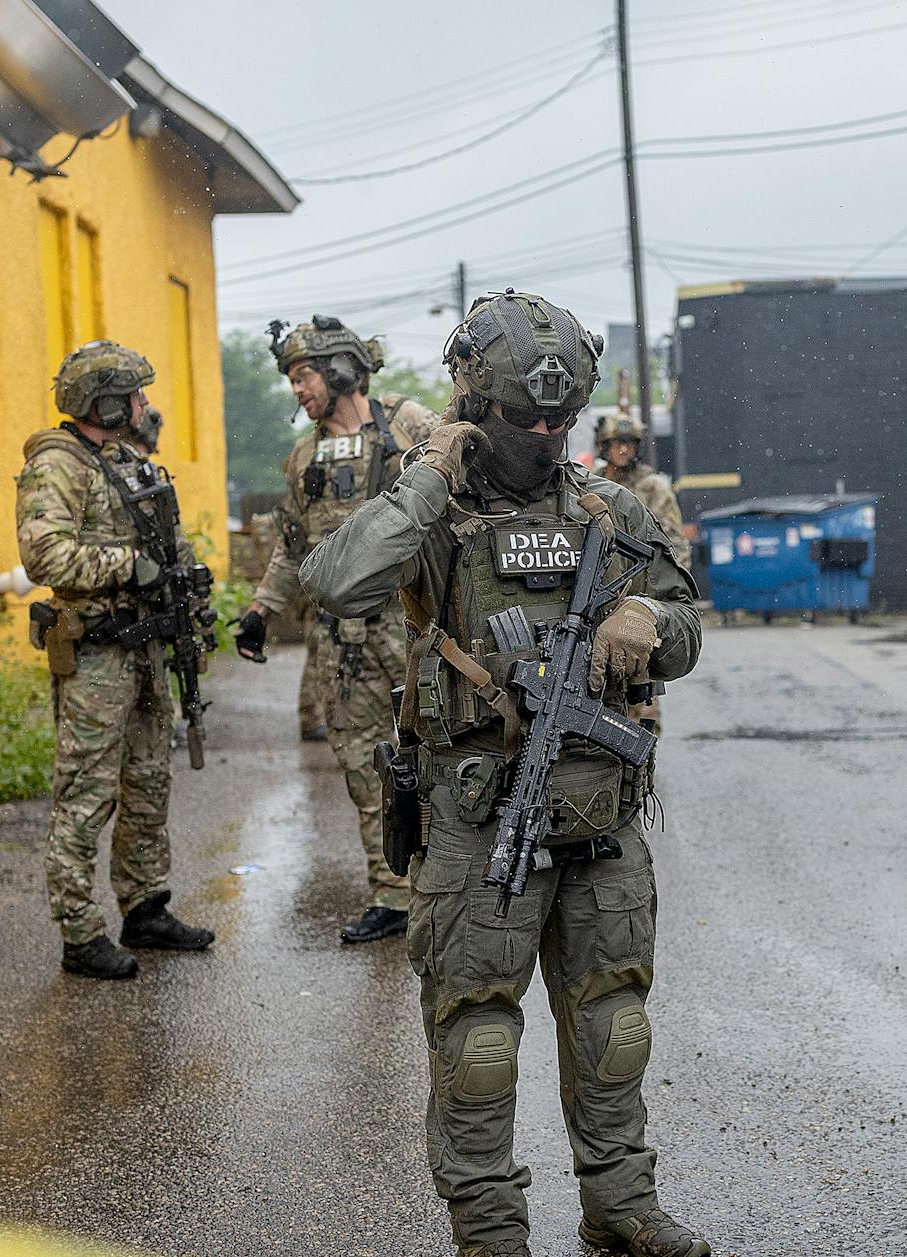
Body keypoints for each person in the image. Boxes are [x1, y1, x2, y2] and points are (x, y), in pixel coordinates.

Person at [301, 290, 709, 1257]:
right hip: (482, 819)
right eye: (523, 417)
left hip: (602, 815)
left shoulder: (609, 509)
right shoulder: (432, 510)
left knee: (615, 1023)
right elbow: (334, 580)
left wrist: (649, 626)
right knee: (478, 1038)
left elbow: (688, 620)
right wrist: (434, 470)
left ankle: (621, 1205)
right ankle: (489, 1228)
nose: (543, 434)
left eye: (558, 419)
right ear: (475, 404)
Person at [231, 316, 440, 945]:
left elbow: (468, 478)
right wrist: (261, 611)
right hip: (339, 643)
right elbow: (292, 550)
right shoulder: (302, 459)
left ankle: (448, 885)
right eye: (292, 379)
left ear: (342, 369)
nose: (298, 390)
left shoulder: (408, 424)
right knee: (361, 765)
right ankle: (393, 892)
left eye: (305, 375)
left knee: (439, 751)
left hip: (416, 628)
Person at [15, 340, 216, 980]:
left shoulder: (126, 460)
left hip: (147, 646)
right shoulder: (57, 464)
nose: (143, 404)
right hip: (98, 654)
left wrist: (184, 585)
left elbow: (166, 543)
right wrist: (132, 565)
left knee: (149, 783)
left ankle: (145, 906)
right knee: (86, 793)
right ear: (103, 400)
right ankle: (80, 933)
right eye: (134, 394)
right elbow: (45, 557)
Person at [594, 411, 688, 571]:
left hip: (642, 574)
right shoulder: (592, 485)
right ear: (605, 446)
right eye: (617, 443)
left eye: (629, 444)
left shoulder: (653, 486)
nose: (623, 449)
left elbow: (674, 541)